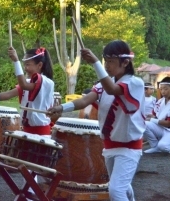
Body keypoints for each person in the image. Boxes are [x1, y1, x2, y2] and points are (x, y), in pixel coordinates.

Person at [48, 40, 145, 201]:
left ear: (126, 62)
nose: (107, 66)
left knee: (116, 190)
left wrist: (95, 62)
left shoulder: (135, 83)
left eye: (111, 62)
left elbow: (112, 90)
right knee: (123, 186)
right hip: (109, 146)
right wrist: (61, 108)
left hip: (129, 148)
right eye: (105, 61)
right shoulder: (103, 85)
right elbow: (85, 100)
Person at [0, 46, 54, 137]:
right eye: (24, 65)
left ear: (39, 65)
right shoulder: (30, 83)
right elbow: (8, 94)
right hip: (27, 133)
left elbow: (23, 85)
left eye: (28, 64)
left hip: (41, 135)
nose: (25, 68)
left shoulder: (47, 82)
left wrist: (16, 61)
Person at [143, 77, 170, 154]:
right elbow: (154, 116)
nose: (163, 91)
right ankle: (155, 146)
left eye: (165, 89)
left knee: (163, 147)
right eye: (161, 89)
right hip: (162, 128)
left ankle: (162, 145)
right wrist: (146, 117)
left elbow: (168, 123)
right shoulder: (160, 101)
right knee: (143, 123)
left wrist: (151, 119)